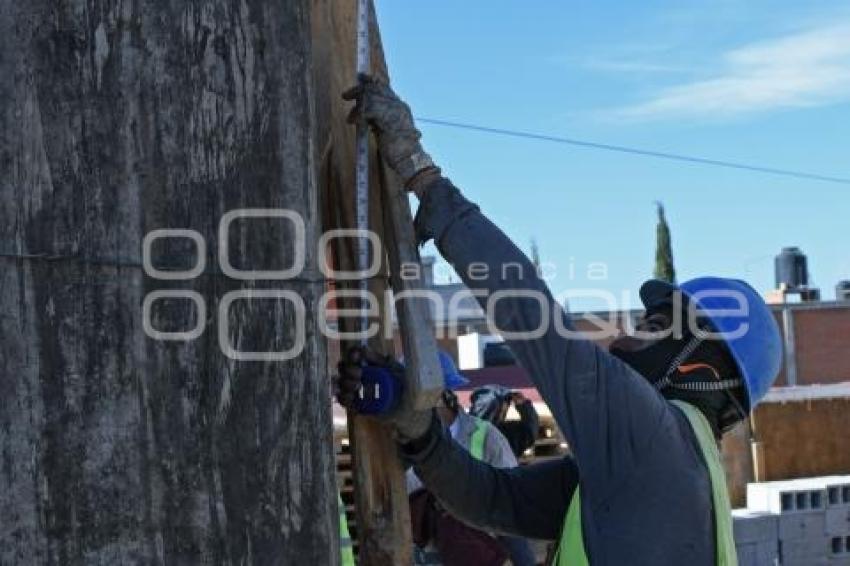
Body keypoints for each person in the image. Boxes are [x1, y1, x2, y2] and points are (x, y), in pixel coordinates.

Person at [336, 77, 782, 564]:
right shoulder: (669, 473)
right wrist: (420, 433)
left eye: (653, 328)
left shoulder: (651, 435)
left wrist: (423, 177)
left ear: (702, 370)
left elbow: (535, 319)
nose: (621, 339)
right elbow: (494, 501)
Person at [404, 353, 537, 566]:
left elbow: (513, 502)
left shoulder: (486, 437)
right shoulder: (402, 443)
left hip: (477, 555)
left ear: (441, 394)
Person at [469, 385, 540, 459]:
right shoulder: (505, 435)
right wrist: (524, 406)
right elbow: (530, 432)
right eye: (503, 410)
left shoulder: (462, 431)